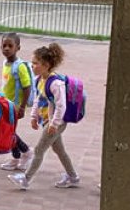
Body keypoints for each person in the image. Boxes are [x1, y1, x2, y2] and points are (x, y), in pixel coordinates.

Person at [8, 43, 80, 190]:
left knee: (39, 150)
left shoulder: (56, 83)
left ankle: (26, 179)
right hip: (48, 120)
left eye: (35, 63)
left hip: (56, 122)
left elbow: (61, 106)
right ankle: (73, 177)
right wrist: (34, 116)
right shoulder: (40, 80)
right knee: (59, 150)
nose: (32, 66)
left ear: (46, 65)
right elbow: (38, 99)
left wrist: (54, 124)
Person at [0, 33, 35, 172]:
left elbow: (27, 87)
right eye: (4, 45)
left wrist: (22, 107)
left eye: (10, 46)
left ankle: (25, 152)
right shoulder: (5, 63)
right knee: (8, 130)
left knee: (8, 130)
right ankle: (18, 155)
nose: (6, 48)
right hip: (5, 103)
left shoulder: (20, 67)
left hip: (15, 106)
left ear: (18, 47)